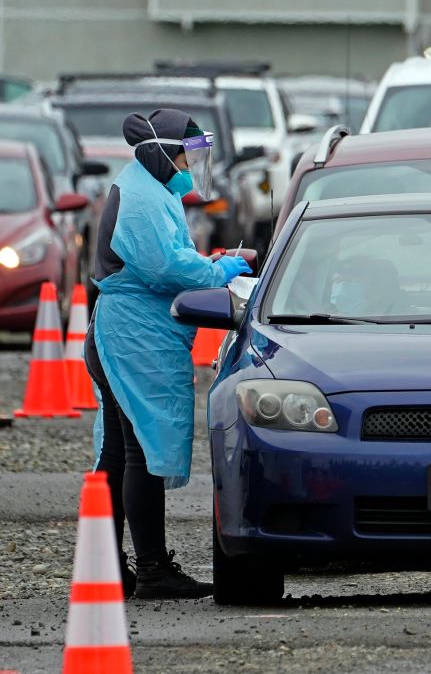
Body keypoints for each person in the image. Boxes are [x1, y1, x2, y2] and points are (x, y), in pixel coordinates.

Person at [85, 109, 251, 599]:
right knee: (137, 452)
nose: (189, 165)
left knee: (117, 454)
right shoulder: (141, 197)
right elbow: (167, 268)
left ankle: (108, 567)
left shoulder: (148, 189)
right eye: (186, 155)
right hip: (132, 334)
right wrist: (223, 270)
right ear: (163, 153)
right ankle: (152, 569)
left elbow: (166, 259)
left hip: (123, 330)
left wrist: (207, 263)